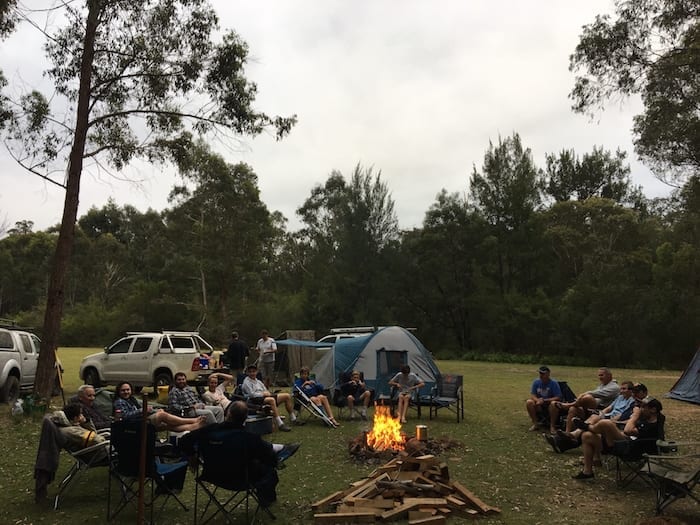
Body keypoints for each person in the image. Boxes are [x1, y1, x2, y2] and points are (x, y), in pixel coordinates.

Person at [178, 401, 299, 507]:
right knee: (270, 469)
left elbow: (184, 440)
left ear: (228, 414)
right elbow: (267, 456)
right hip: (241, 479)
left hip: (212, 475)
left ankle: (279, 448)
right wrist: (273, 461)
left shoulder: (210, 430)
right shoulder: (249, 437)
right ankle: (267, 499)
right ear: (245, 418)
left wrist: (191, 455)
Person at [572, 397, 665, 480]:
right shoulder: (649, 419)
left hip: (631, 450)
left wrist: (635, 415)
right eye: (641, 407)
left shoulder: (652, 425)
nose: (641, 409)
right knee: (587, 436)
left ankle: (587, 426)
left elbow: (628, 431)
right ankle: (587, 472)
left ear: (653, 409)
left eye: (644, 407)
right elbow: (631, 432)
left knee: (606, 423)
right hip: (627, 443)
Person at [114, 381, 207, 432]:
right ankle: (192, 420)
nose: (126, 392)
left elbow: (140, 411)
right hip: (134, 424)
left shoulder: (131, 399)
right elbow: (125, 416)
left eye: (128, 390)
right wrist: (143, 410)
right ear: (119, 392)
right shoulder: (119, 401)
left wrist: (152, 410)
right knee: (162, 416)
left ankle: (193, 426)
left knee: (166, 424)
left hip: (141, 420)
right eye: (123, 390)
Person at [549, 367, 620, 432]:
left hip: (600, 409)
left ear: (609, 375)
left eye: (602, 375)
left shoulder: (614, 387)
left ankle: (568, 405)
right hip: (590, 408)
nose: (600, 377)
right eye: (599, 375)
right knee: (573, 409)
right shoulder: (602, 385)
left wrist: (583, 394)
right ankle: (567, 433)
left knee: (587, 397)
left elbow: (596, 394)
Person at [241, 364, 302, 432]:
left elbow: (265, 389)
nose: (252, 373)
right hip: (254, 400)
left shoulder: (258, 381)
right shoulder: (246, 382)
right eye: (250, 372)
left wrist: (267, 393)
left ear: (256, 372)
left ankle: (293, 419)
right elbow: (252, 394)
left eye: (253, 371)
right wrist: (263, 394)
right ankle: (280, 424)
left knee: (286, 396)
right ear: (247, 373)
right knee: (271, 400)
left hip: (264, 397)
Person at [525, 366, 562, 433]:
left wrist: (544, 400)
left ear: (548, 374)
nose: (541, 375)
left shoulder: (554, 383)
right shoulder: (536, 382)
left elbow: (558, 397)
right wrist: (537, 400)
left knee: (554, 404)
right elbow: (533, 395)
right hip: (539, 404)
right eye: (540, 373)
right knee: (529, 402)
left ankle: (552, 426)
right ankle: (535, 424)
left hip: (549, 404)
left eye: (543, 374)